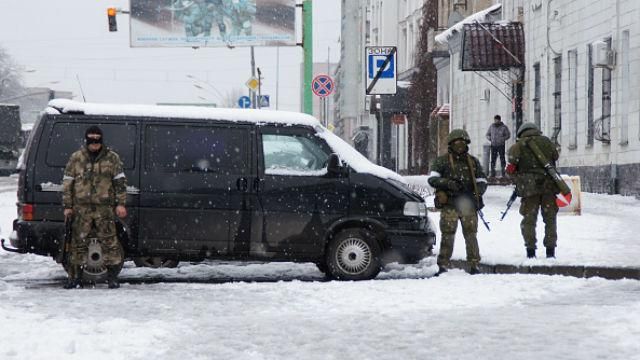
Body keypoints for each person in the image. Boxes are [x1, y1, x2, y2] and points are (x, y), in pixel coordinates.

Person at [62, 126, 128, 289]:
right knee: (78, 242)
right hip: (81, 208)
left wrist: (120, 203)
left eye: (97, 140)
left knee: (110, 242)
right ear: (86, 140)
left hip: (104, 208)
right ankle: (75, 278)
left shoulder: (112, 158)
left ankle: (112, 277)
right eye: (91, 140)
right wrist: (67, 206)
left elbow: (120, 183)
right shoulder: (76, 158)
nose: (94, 143)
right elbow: (67, 183)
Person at [428, 129, 487, 275]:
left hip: (467, 204)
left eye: (463, 142)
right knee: (448, 235)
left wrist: (476, 193)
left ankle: (474, 265)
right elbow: (432, 179)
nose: (460, 145)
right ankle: (443, 266)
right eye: (457, 142)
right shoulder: (442, 161)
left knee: (471, 235)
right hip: (450, 205)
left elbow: (482, 181)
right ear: (451, 144)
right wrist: (448, 184)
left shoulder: (472, 162)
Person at [506, 122, 559, 259]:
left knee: (529, 220)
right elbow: (555, 156)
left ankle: (531, 251)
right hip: (549, 186)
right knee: (550, 219)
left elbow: (511, 166)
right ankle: (550, 251)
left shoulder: (517, 146)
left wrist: (518, 179)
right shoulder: (546, 141)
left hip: (529, 189)